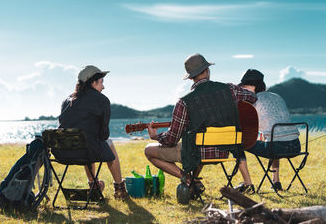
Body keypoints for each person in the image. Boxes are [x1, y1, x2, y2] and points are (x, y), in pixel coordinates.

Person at [145, 54, 257, 194]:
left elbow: (172, 139)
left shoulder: (184, 102)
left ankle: (189, 179)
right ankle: (194, 180)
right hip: (225, 151)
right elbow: (253, 97)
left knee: (148, 151)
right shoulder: (231, 89)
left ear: (191, 77)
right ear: (207, 70)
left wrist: (156, 137)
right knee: (196, 141)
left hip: (197, 154)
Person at [58, 65, 129, 199]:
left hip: (63, 152)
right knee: (106, 142)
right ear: (93, 82)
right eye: (101, 82)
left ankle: (93, 185)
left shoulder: (66, 101)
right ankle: (120, 188)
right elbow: (104, 134)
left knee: (84, 140)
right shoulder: (102, 100)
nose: (103, 87)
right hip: (86, 151)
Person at [236, 69, 301, 192]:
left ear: (252, 86)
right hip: (296, 146)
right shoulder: (277, 96)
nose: (244, 90)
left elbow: (248, 130)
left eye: (245, 87)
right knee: (272, 139)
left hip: (276, 147)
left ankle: (247, 184)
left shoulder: (253, 100)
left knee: (237, 144)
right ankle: (276, 182)